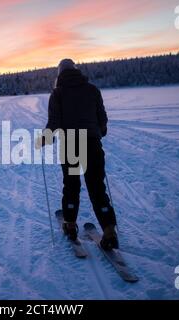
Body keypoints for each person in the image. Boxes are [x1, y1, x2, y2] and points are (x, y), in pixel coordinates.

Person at [36, 58, 118, 250]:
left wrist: (45, 139)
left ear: (59, 74)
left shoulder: (58, 93)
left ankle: (71, 225)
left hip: (71, 144)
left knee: (71, 185)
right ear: (75, 70)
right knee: (97, 188)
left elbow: (54, 122)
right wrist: (98, 132)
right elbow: (103, 121)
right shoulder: (93, 90)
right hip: (93, 144)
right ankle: (109, 231)